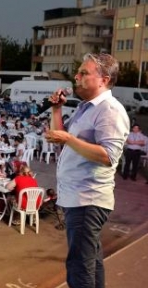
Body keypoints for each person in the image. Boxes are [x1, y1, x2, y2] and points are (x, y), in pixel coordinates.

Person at [45, 53, 129, 288]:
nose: (76, 76)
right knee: (91, 260)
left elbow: (108, 156)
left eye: (83, 73)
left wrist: (69, 138)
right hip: (78, 197)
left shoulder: (110, 110)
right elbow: (59, 139)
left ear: (103, 79)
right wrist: (56, 110)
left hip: (87, 200)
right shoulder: (86, 108)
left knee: (79, 267)